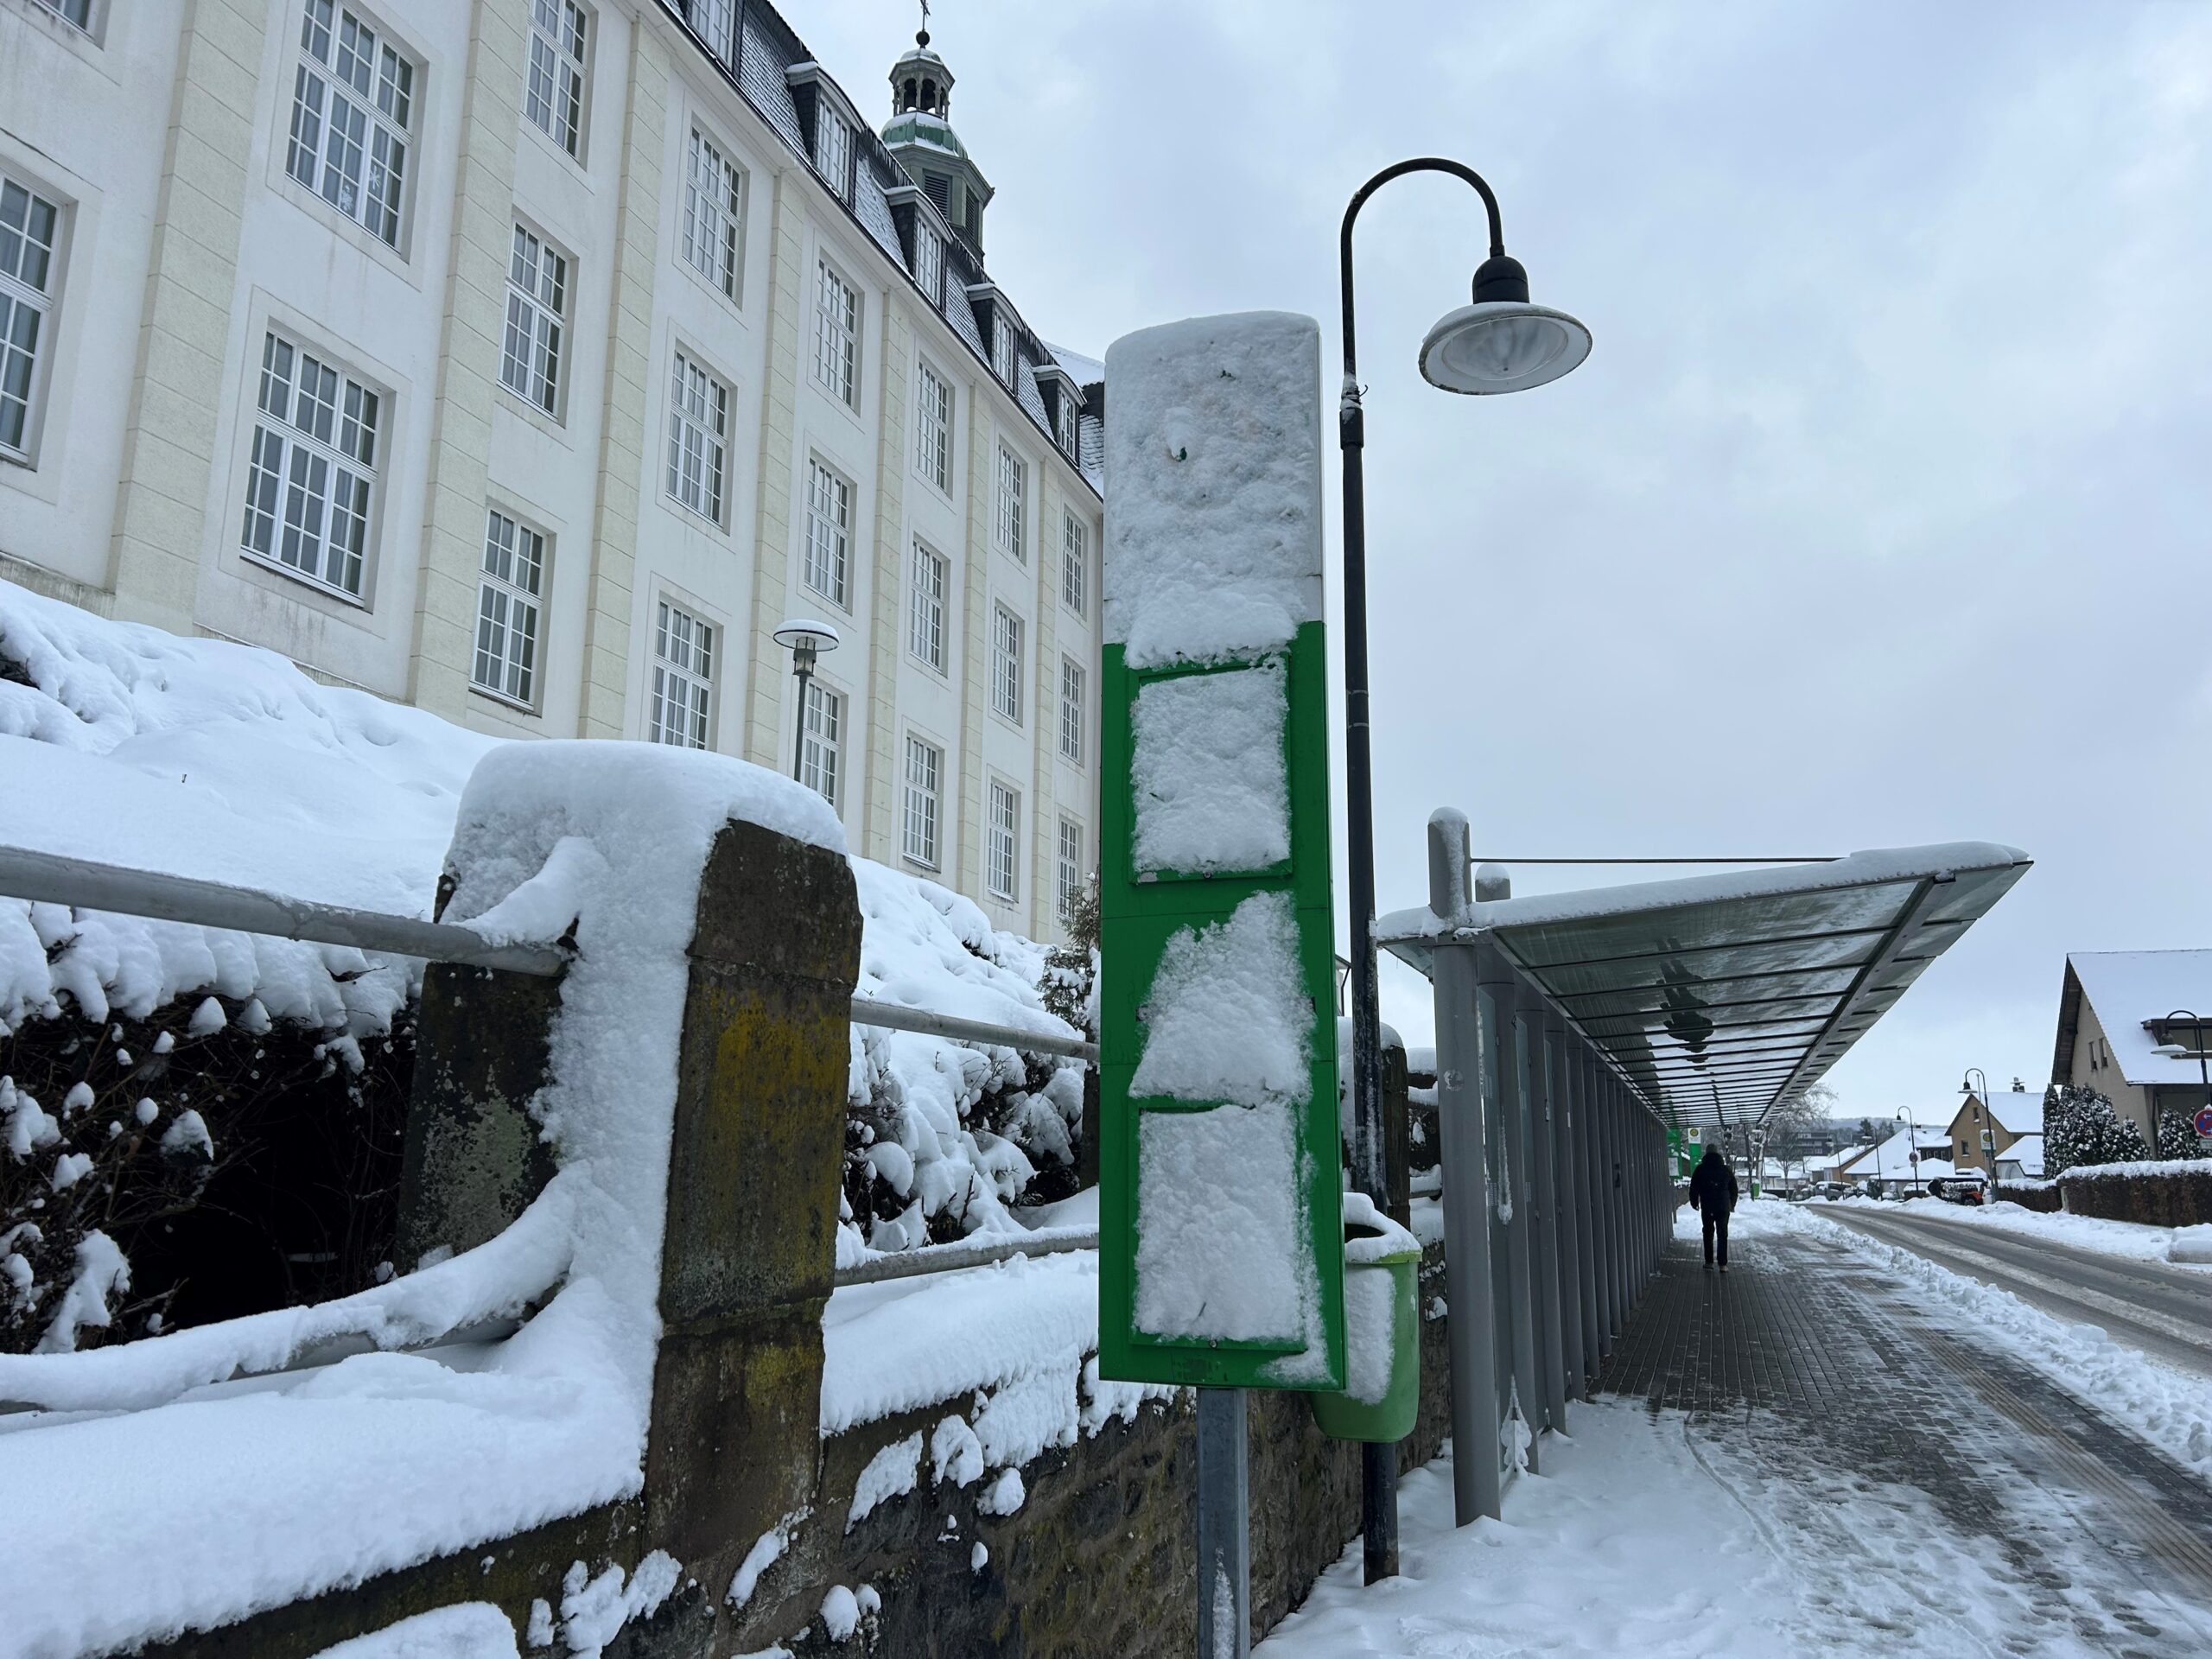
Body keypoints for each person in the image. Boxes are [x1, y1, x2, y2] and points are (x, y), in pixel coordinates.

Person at [1688, 1146, 1739, 1272]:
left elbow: (1694, 1187)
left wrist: (1694, 1202)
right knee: (1722, 1234)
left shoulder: (1700, 1169)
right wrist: (1732, 1203)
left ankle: (1709, 1262)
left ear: (1706, 1153)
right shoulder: (1725, 1169)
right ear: (1717, 1153)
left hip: (1707, 1206)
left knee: (1708, 1233)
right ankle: (1722, 1264)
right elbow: (1734, 1188)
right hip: (1723, 1206)